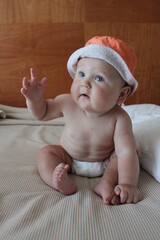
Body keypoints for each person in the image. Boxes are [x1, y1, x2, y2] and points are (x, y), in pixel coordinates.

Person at [21, 36, 142, 205]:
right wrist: (34, 100)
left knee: (127, 156)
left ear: (121, 94)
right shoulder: (67, 102)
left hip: (104, 161)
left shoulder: (120, 119)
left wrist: (128, 184)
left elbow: (125, 153)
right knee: (46, 153)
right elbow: (43, 113)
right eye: (82, 74)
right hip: (68, 158)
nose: (85, 83)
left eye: (98, 78)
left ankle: (106, 183)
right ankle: (56, 180)